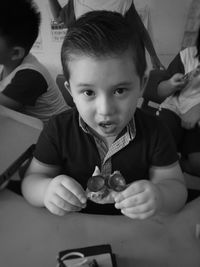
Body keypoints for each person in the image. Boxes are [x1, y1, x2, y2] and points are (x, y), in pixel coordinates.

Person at [22, 11, 187, 219]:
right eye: (88, 92)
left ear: (142, 85)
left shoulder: (156, 131)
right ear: (71, 91)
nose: (105, 109)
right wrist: (46, 190)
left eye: (119, 91)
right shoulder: (58, 129)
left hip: (137, 231)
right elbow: (32, 180)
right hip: (75, 232)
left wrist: (161, 195)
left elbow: (177, 190)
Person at [0, 0, 69, 124]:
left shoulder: (29, 76)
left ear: (16, 53)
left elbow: (3, 107)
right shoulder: (8, 64)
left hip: (62, 135)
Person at [48, 0, 164, 70]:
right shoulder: (78, 1)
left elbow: (140, 29)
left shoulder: (122, 2)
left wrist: (153, 55)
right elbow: (59, 18)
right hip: (85, 61)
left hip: (113, 61)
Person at [156, 26, 200, 177]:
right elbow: (160, 91)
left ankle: (175, 167)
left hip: (196, 119)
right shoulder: (187, 56)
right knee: (159, 152)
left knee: (197, 166)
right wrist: (170, 85)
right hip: (174, 109)